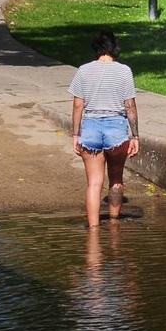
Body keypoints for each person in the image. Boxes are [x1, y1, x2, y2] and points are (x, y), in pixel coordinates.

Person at [69, 31, 140, 228]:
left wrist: (76, 135)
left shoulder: (83, 70)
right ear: (115, 48)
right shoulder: (124, 71)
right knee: (116, 178)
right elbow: (130, 106)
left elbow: (77, 105)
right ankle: (115, 225)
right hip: (116, 130)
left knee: (94, 183)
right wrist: (135, 136)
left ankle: (93, 230)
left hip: (91, 127)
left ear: (96, 48)